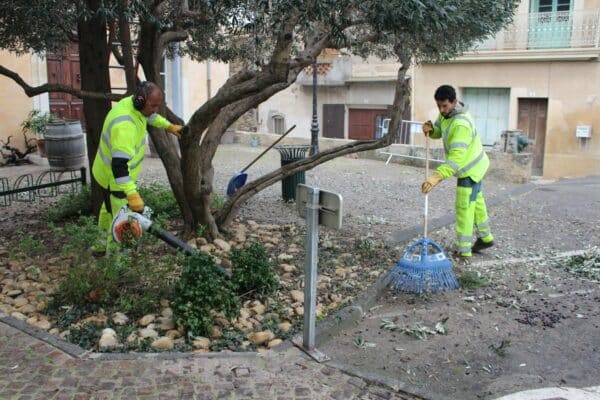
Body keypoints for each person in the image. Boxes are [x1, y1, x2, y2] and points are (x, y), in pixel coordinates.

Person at [92, 81, 183, 250]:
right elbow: (118, 166)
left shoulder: (133, 105)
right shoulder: (125, 126)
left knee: (108, 208)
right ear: (141, 101)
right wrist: (132, 194)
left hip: (102, 172)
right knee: (120, 220)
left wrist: (169, 126)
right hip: (115, 178)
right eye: (153, 105)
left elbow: (150, 116)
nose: (155, 109)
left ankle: (100, 246)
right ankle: (117, 260)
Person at [421, 85, 494, 258]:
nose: (441, 110)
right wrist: (432, 130)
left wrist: (435, 177)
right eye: (439, 106)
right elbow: (440, 131)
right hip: (476, 164)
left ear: (454, 102)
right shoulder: (446, 114)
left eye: (445, 106)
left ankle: (463, 250)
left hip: (470, 169)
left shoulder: (461, 124)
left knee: (464, 207)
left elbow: (455, 160)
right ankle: (486, 238)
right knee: (476, 202)